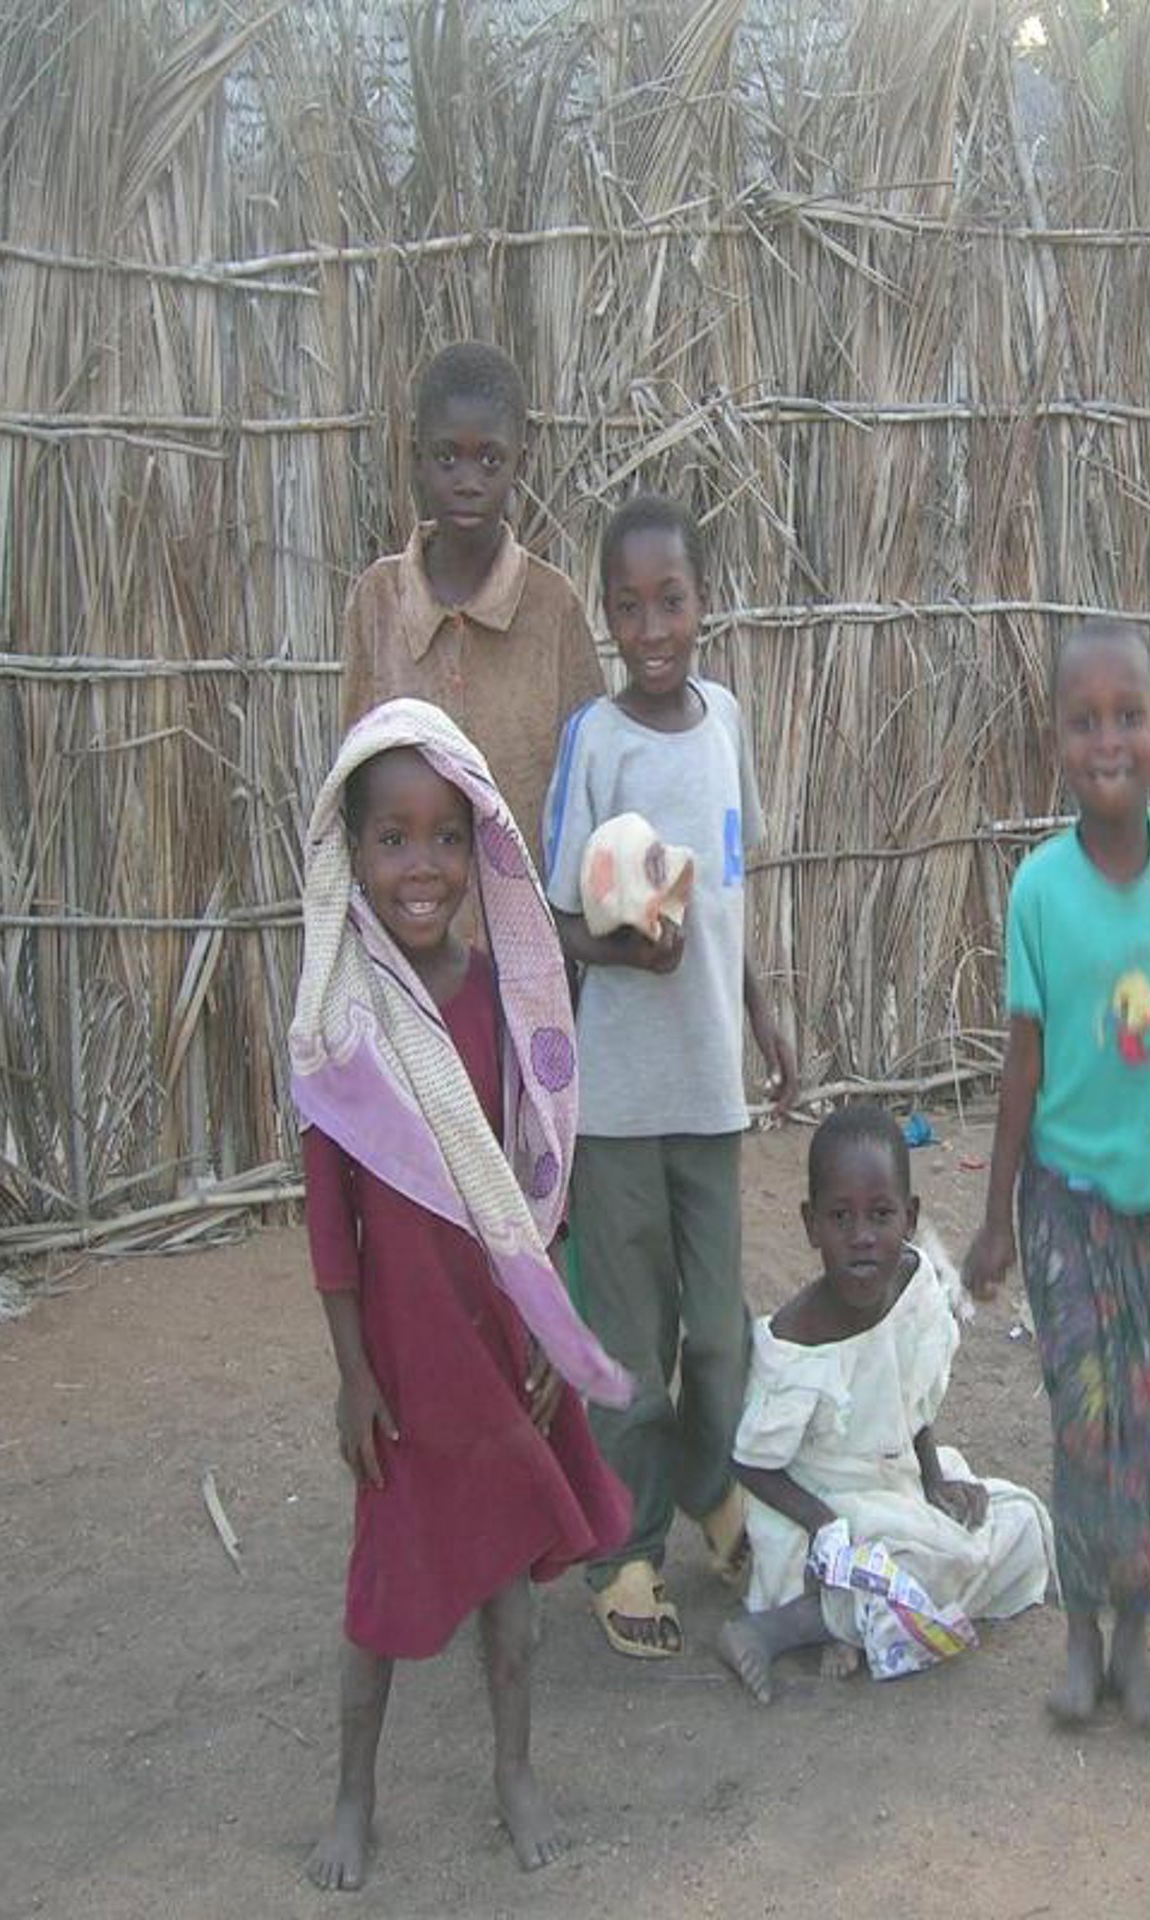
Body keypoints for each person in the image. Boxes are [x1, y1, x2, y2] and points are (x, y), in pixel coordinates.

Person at [290, 700, 634, 1891]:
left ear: (480, 846)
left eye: (445, 837)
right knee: (381, 1593)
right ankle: (353, 1796)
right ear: (352, 853)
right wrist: (352, 1372)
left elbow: (540, 1173)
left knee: (508, 1589)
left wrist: (546, 1326)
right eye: (393, 839)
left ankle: (514, 1773)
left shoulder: (505, 1000)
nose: (423, 866)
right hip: (403, 1357)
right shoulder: (341, 1026)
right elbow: (329, 1218)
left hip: (494, 1342)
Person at [962, 618, 1150, 1732]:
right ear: (1056, 744)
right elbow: (1024, 1061)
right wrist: (996, 1221)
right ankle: (1082, 1638)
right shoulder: (1041, 889)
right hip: (1067, 1202)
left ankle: (1136, 1643)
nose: (1109, 742)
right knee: (1089, 1420)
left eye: (1128, 717)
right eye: (1085, 722)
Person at [542, 492, 799, 1659]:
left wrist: (764, 1018)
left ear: (706, 603)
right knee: (630, 1341)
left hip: (708, 1092)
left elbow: (725, 898)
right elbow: (557, 921)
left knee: (720, 1332)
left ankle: (711, 1487)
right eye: (630, 606)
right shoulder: (597, 743)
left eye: (673, 601)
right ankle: (626, 1548)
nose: (653, 629)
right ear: (607, 616)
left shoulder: (725, 722)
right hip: (619, 1104)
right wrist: (626, 953)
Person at [715, 1106, 1054, 1703]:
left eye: (880, 1215)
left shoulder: (913, 1286)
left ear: (910, 1217)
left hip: (894, 1480)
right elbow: (749, 1463)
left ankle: (852, 1625)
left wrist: (933, 1478)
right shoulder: (796, 1344)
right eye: (839, 1218)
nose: (862, 1237)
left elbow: (911, 1393)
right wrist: (823, 1525)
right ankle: (773, 1629)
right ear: (811, 1224)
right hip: (816, 1508)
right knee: (905, 1560)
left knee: (1016, 1523)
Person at [339, 340, 603, 868]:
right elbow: (353, 778)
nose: (467, 482)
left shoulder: (554, 608)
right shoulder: (378, 601)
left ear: (519, 463)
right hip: (409, 915)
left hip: (533, 915)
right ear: (416, 460)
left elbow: (591, 779)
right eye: (446, 458)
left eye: (489, 460)